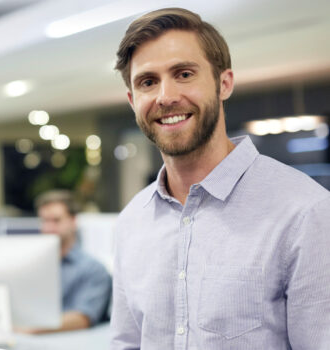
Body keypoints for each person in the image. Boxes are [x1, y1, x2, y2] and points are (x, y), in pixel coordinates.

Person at [111, 8, 330, 349]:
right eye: (148, 82)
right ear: (132, 100)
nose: (166, 97)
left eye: (183, 74)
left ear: (224, 83)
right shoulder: (131, 222)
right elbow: (125, 343)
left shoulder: (306, 212)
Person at [23, 190, 111, 333]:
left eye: (56, 220)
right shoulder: (29, 266)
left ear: (73, 221)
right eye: (44, 221)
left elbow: (82, 318)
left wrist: (30, 328)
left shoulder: (93, 269)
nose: (48, 228)